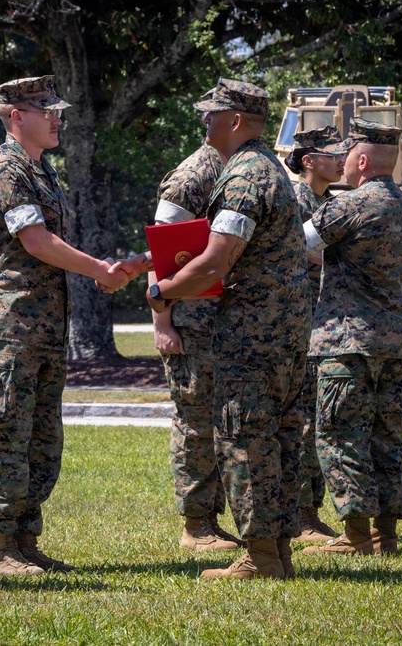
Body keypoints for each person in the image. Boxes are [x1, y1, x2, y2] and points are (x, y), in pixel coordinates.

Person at [145, 78, 311, 579]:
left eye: (212, 114)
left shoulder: (243, 176)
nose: (204, 122)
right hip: (280, 328)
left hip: (252, 333)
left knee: (245, 435)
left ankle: (260, 555)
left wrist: (161, 293)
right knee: (279, 434)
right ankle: (276, 550)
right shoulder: (268, 169)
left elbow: (215, 261)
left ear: (236, 121)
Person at [0, 75, 129, 576]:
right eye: (47, 111)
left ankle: (24, 539)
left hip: (41, 326)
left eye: (58, 110)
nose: (57, 118)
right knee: (7, 434)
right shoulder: (5, 166)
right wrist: (100, 270)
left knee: (42, 439)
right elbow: (36, 241)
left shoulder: (40, 170)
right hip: (9, 324)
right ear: (17, 115)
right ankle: (0, 549)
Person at [302, 117, 402, 556]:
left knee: (338, 434)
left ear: (363, 159)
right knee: (386, 435)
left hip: (347, 340)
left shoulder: (350, 205)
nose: (341, 162)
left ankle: (355, 536)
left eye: (346, 154)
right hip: (392, 339)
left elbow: (300, 243)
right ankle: (384, 534)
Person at [149, 139, 245, 552]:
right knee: (195, 424)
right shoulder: (192, 176)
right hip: (191, 322)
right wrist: (163, 323)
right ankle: (196, 524)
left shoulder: (238, 168)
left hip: (224, 320)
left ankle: (212, 518)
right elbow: (162, 254)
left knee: (223, 423)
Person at [284, 125, 346, 543]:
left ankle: (311, 511)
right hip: (298, 327)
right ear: (309, 160)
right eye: (332, 153)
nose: (342, 159)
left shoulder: (333, 203)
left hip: (325, 326)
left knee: (319, 421)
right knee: (303, 422)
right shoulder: (294, 202)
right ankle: (301, 516)